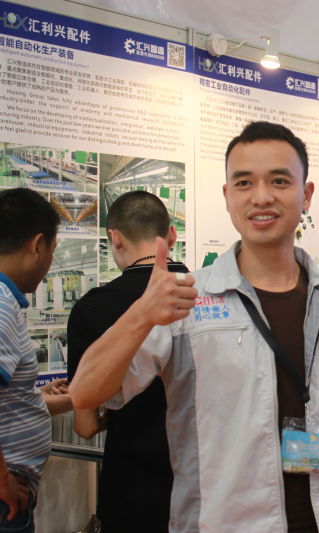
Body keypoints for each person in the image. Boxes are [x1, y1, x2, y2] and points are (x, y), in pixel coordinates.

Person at [71, 122, 319, 532]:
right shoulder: (188, 299)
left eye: (279, 181)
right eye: (244, 183)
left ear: (307, 194)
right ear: (227, 196)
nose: (261, 197)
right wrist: (141, 315)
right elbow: (86, 394)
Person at [66, 191, 188, 533]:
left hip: (133, 491)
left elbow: (85, 425)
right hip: (203, 486)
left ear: (114, 238)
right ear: (172, 235)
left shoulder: (93, 307)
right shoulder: (205, 295)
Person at [0, 188, 72, 532]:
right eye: (53, 251)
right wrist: (2, 482)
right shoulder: (1, 305)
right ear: (37, 245)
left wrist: (34, 396)